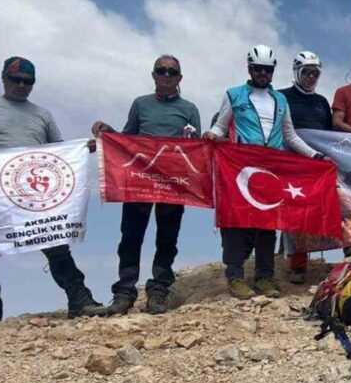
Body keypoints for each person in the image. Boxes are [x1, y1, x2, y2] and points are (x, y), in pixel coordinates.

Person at [0, 56, 105, 328]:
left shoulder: (42, 114)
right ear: (4, 78)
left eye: (28, 82)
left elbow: (60, 151)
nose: (21, 86)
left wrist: (82, 149)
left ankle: (80, 301)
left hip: (37, 197)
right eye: (16, 80)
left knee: (57, 245)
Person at [204, 45, 324, 300]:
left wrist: (314, 155)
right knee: (236, 221)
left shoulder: (280, 100)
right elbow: (220, 125)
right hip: (241, 168)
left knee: (268, 223)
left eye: (267, 69)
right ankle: (235, 276)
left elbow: (289, 134)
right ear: (249, 68)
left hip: (271, 168)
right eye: (258, 68)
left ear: (273, 71)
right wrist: (212, 135)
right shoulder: (234, 95)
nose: (262, 73)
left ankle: (265, 277)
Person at [91, 55, 201, 316]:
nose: (166, 75)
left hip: (172, 183)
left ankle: (159, 290)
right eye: (161, 71)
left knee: (167, 239)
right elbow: (127, 141)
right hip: (140, 180)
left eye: (172, 72)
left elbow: (195, 148)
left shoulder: (189, 109)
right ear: (153, 75)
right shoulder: (140, 105)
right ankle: (124, 292)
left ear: (179, 78)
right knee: (131, 236)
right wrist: (109, 133)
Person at [280, 50, 332, 284]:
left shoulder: (322, 102)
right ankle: (296, 263)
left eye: (315, 73)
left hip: (316, 165)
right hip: (290, 164)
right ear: (297, 72)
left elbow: (330, 135)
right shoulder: (281, 97)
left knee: (317, 212)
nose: (311, 77)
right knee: (293, 212)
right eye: (306, 72)